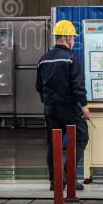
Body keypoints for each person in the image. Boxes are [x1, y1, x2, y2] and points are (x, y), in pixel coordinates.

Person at [35, 19, 90, 191]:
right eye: (72, 38)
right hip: (70, 108)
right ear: (67, 38)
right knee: (80, 138)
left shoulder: (43, 59)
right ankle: (68, 176)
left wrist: (48, 101)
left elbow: (38, 86)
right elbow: (78, 85)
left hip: (50, 109)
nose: (73, 41)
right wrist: (84, 106)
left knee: (54, 143)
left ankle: (55, 180)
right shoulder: (72, 58)